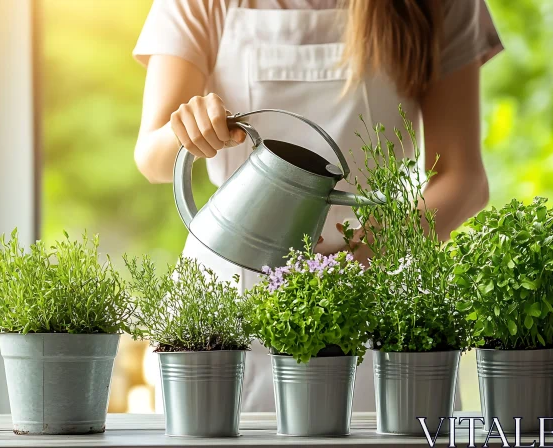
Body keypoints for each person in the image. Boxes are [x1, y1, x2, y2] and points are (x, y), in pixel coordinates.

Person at [133, 0, 503, 412]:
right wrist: (188, 129)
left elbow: (462, 177)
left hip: (377, 291)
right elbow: (152, 159)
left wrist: (374, 248)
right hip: (231, 293)